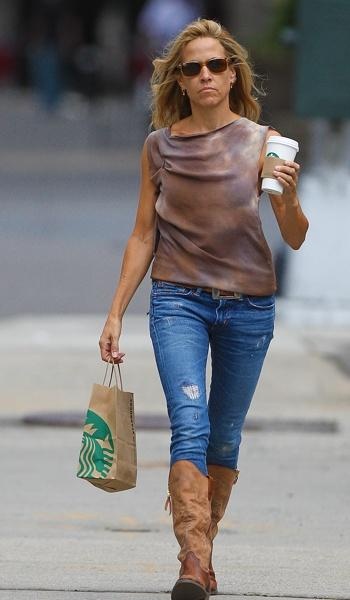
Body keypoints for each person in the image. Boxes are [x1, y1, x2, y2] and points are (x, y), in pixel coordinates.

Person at [99, 18, 308, 600]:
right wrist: (116, 311)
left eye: (216, 65)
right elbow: (143, 235)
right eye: (192, 68)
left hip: (249, 307)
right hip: (178, 300)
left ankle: (204, 553)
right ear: (180, 82)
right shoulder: (159, 147)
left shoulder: (266, 142)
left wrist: (287, 196)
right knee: (190, 424)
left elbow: (294, 236)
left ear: (233, 72)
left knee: (224, 439)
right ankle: (192, 561)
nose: (206, 75)